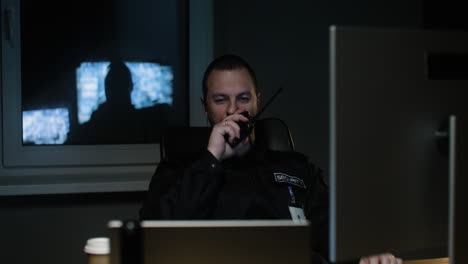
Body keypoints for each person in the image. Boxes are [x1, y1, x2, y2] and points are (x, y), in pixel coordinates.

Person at [140, 54, 402, 264]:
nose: (233, 110)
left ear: (258, 102)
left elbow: (332, 226)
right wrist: (212, 159)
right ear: (204, 107)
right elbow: (154, 238)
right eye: (221, 100)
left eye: (243, 98)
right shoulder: (178, 170)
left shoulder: (295, 167)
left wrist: (365, 249)